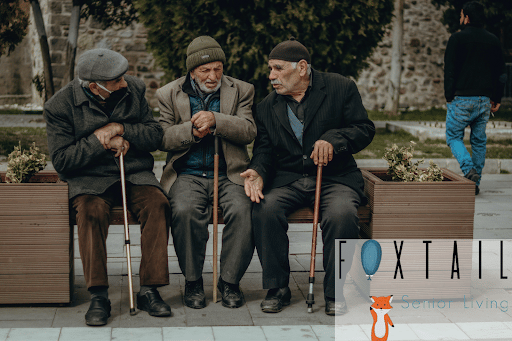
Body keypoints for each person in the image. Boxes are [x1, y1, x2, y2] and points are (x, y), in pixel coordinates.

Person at [241, 38, 375, 315]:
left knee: (342, 215)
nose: (271, 76)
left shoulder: (340, 87)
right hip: (289, 179)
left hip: (334, 178)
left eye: (278, 69)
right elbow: (264, 150)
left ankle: (335, 290)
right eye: (270, 69)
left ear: (301, 68)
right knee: (264, 209)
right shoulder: (267, 107)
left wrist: (334, 140)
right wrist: (258, 171)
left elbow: (364, 129)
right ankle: (278, 287)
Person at [44, 48, 172, 326]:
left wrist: (120, 129)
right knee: (90, 212)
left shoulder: (134, 89)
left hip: (134, 172)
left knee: (158, 204)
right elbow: (63, 160)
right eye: (117, 81)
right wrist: (99, 140)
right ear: (94, 87)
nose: (125, 83)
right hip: (89, 178)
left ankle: (150, 289)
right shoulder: (60, 105)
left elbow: (153, 136)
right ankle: (99, 294)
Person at [157, 36, 256, 309]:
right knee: (185, 211)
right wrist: (190, 130)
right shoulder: (169, 93)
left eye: (218, 68)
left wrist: (217, 120)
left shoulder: (242, 90)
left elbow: (249, 131)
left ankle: (229, 281)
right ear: (191, 71)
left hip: (229, 172)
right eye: (205, 70)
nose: (213, 76)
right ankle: (193, 282)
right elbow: (162, 138)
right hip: (187, 173)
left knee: (243, 209)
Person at [444, 1, 507, 195]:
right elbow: (501, 74)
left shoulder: (456, 39)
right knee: (479, 141)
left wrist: (448, 96)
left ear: (467, 17)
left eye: (462, 15)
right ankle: (475, 183)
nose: (460, 18)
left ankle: (468, 169)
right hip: (484, 101)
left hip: (462, 98)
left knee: (453, 136)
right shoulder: (494, 40)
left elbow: (450, 71)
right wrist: (497, 98)